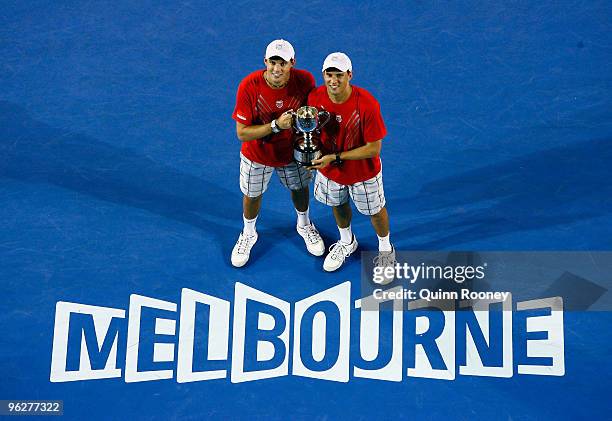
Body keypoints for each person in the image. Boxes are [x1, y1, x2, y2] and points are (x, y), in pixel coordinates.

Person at [230, 39, 324, 267]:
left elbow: (311, 113)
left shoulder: (305, 80)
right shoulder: (248, 86)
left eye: (283, 63)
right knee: (252, 195)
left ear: (292, 63)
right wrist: (275, 126)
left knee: (300, 188)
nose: (277, 69)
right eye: (273, 62)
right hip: (257, 154)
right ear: (265, 62)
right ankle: (249, 233)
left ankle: (304, 224)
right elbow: (242, 133)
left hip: (292, 152)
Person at [307, 52, 395, 274]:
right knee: (338, 204)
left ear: (349, 75)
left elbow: (374, 148)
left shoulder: (366, 104)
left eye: (339, 75)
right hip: (330, 171)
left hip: (363, 173)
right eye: (329, 75)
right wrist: (312, 151)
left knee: (375, 211)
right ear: (323, 75)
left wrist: (336, 158)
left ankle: (385, 248)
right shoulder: (315, 98)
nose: (333, 80)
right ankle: (346, 241)